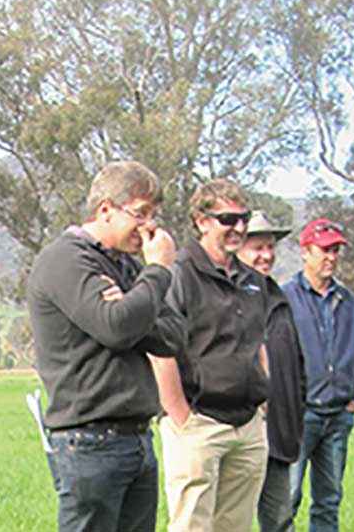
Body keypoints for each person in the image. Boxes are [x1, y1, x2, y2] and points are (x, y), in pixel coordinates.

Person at [27, 161, 185, 532]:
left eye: (155, 215)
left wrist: (132, 305)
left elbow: (175, 335)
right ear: (105, 210)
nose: (150, 226)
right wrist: (158, 274)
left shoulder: (125, 267)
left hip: (136, 439)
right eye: (141, 213)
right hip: (89, 442)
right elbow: (116, 328)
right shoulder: (65, 260)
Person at [152, 179, 270, 532]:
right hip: (198, 422)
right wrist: (180, 416)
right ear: (202, 221)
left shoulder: (253, 281)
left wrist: (262, 405)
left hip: (247, 424)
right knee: (192, 526)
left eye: (243, 218)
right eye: (227, 219)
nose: (238, 228)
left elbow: (258, 341)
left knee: (236, 526)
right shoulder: (179, 274)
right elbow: (160, 350)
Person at [282, 218, 354, 532]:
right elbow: (272, 357)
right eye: (324, 249)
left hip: (337, 418)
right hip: (299, 418)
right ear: (305, 251)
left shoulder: (347, 303)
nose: (331, 257)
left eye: (336, 250)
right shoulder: (285, 299)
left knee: (329, 501)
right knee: (286, 500)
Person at [237, 212, 306, 532]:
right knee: (230, 520)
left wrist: (296, 415)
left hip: (279, 433)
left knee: (280, 520)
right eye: (257, 248)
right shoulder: (225, 296)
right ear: (237, 248)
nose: (266, 255)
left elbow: (296, 362)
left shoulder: (279, 298)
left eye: (269, 247)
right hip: (238, 432)